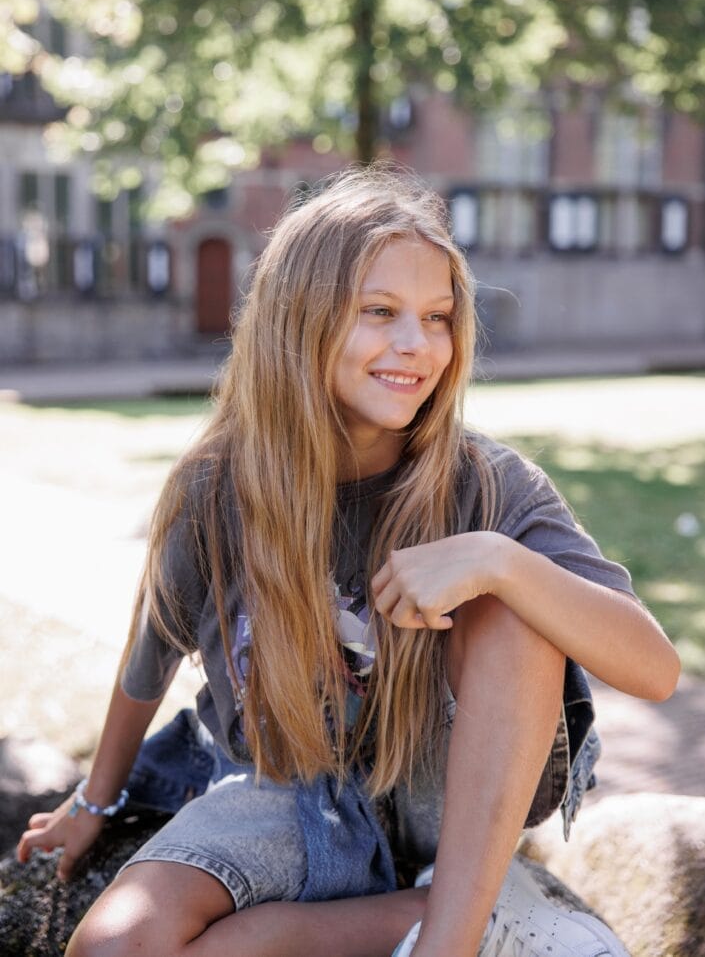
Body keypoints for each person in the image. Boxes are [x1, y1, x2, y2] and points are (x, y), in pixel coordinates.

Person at [17, 166, 679, 957]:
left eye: (438, 318)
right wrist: (96, 800)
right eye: (379, 312)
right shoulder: (218, 486)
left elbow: (653, 670)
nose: (416, 345)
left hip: (446, 798)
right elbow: (153, 645)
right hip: (287, 791)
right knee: (115, 944)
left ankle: (448, 937)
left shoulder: (487, 486)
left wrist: (499, 562)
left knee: (513, 605)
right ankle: (420, 916)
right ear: (300, 318)